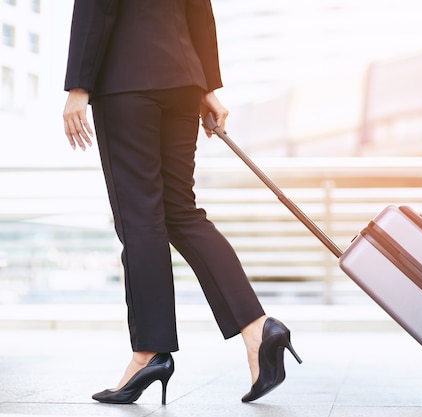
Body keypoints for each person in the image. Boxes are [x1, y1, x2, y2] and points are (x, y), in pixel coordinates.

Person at [61, 0, 301, 405]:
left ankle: (149, 352)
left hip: (126, 79)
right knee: (180, 213)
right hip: (182, 80)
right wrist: (206, 87)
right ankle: (258, 329)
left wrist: (78, 87)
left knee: (140, 218)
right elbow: (199, 9)